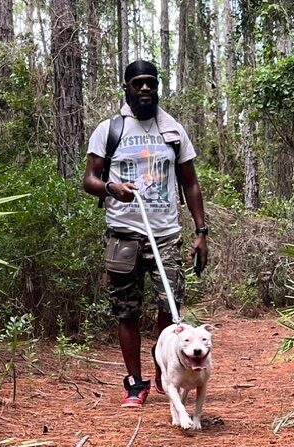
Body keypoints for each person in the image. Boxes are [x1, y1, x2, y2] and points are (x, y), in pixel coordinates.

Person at [83, 60, 208, 408]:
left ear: (157, 86)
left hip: (166, 233)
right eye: (138, 83)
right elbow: (89, 179)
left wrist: (201, 231)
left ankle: (165, 371)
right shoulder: (109, 130)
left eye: (150, 83)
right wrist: (111, 187)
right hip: (123, 235)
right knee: (127, 311)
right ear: (126, 86)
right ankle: (135, 383)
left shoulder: (172, 130)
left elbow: (191, 182)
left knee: (170, 307)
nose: (144, 89)